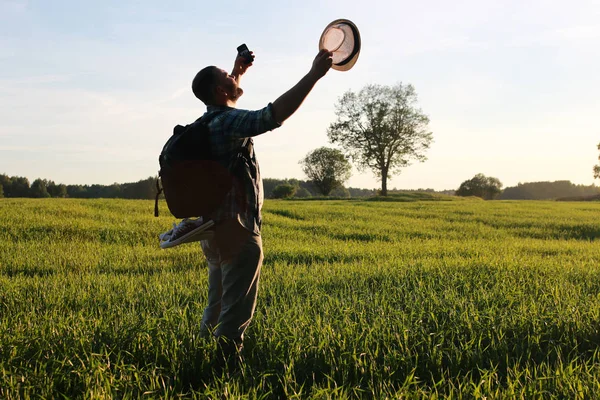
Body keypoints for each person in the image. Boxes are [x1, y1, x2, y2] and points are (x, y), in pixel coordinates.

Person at [181, 48, 333, 373]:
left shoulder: (207, 123)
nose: (233, 78)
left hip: (211, 231)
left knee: (216, 306)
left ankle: (197, 362)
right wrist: (313, 75)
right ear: (222, 92)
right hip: (238, 232)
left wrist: (238, 72)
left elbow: (226, 97)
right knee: (234, 317)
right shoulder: (229, 123)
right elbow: (272, 115)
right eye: (228, 78)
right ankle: (222, 377)